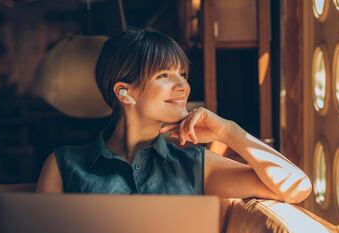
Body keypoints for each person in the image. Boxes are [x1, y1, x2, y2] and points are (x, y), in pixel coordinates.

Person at [36, 29, 312, 203]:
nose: (183, 86)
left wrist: (228, 132)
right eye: (164, 75)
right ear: (124, 92)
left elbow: (298, 188)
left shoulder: (195, 165)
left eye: (183, 74)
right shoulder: (64, 165)